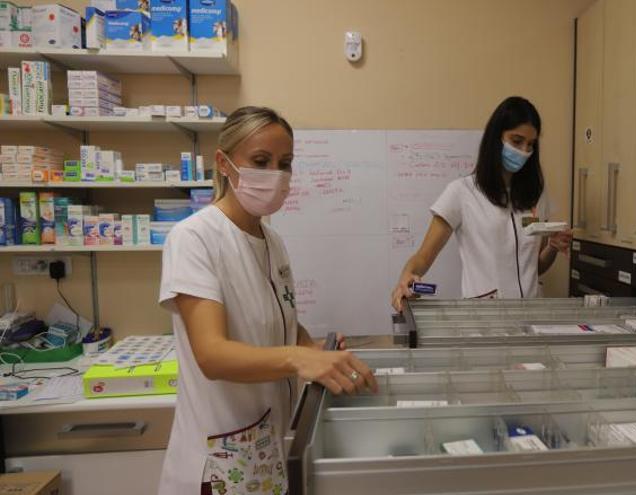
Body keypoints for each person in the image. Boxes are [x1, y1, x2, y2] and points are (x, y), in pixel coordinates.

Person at [157, 106, 377, 494]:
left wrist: (313, 347)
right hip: (221, 457)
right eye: (261, 161)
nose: (276, 174)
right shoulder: (194, 238)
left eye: (285, 163)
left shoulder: (272, 240)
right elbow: (212, 355)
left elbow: (281, 322)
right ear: (224, 163)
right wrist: (300, 359)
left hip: (268, 446)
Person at [392, 96, 572, 311]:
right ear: (496, 138)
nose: (524, 151)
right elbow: (423, 257)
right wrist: (407, 276)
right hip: (483, 321)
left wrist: (552, 246)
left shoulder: (535, 196)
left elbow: (535, 268)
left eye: (530, 144)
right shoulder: (462, 192)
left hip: (530, 319)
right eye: (516, 141)